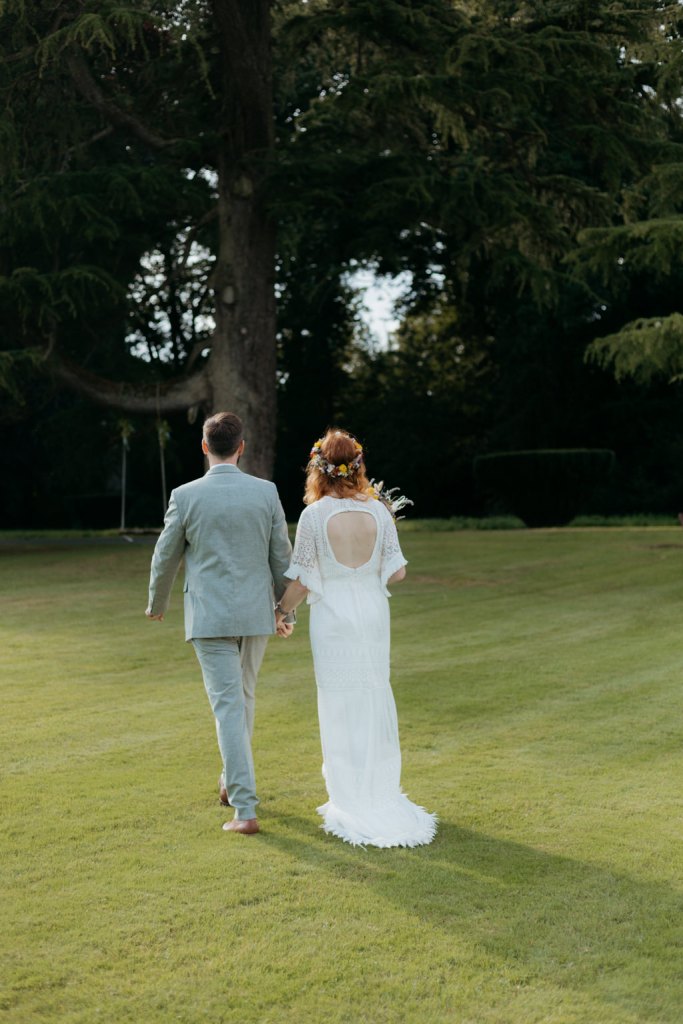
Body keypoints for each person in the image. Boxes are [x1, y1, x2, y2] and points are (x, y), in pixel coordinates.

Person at [275, 428, 437, 848]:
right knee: (372, 694)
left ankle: (350, 795)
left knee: (339, 702)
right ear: (358, 467)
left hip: (333, 620)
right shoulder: (379, 512)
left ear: (318, 469)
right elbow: (397, 571)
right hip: (372, 616)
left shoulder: (314, 516)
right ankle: (378, 790)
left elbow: (302, 580)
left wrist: (281, 611)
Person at [146, 412, 293, 835]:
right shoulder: (265, 492)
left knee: (231, 705)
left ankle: (245, 809)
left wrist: (157, 602)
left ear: (205, 446)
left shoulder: (185, 495)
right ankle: (232, 783)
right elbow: (281, 558)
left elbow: (165, 554)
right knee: (241, 700)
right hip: (255, 614)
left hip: (210, 617)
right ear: (242, 447)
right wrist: (286, 611)